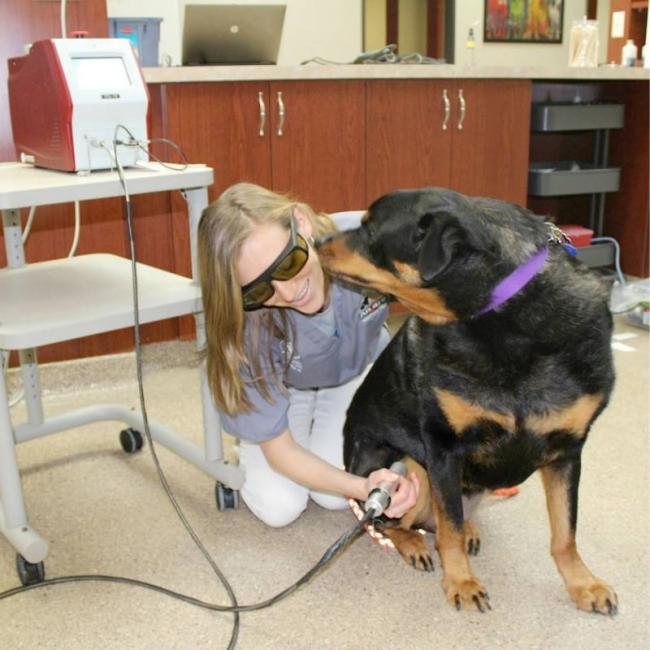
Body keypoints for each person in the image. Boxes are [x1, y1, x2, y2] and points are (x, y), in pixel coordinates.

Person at [198, 182, 419, 527]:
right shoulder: (246, 321)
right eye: (259, 288)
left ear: (302, 223)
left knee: (332, 498)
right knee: (280, 507)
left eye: (287, 263)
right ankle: (251, 436)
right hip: (286, 387)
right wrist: (363, 486)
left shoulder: (368, 240)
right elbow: (282, 452)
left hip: (357, 370)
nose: (287, 292)